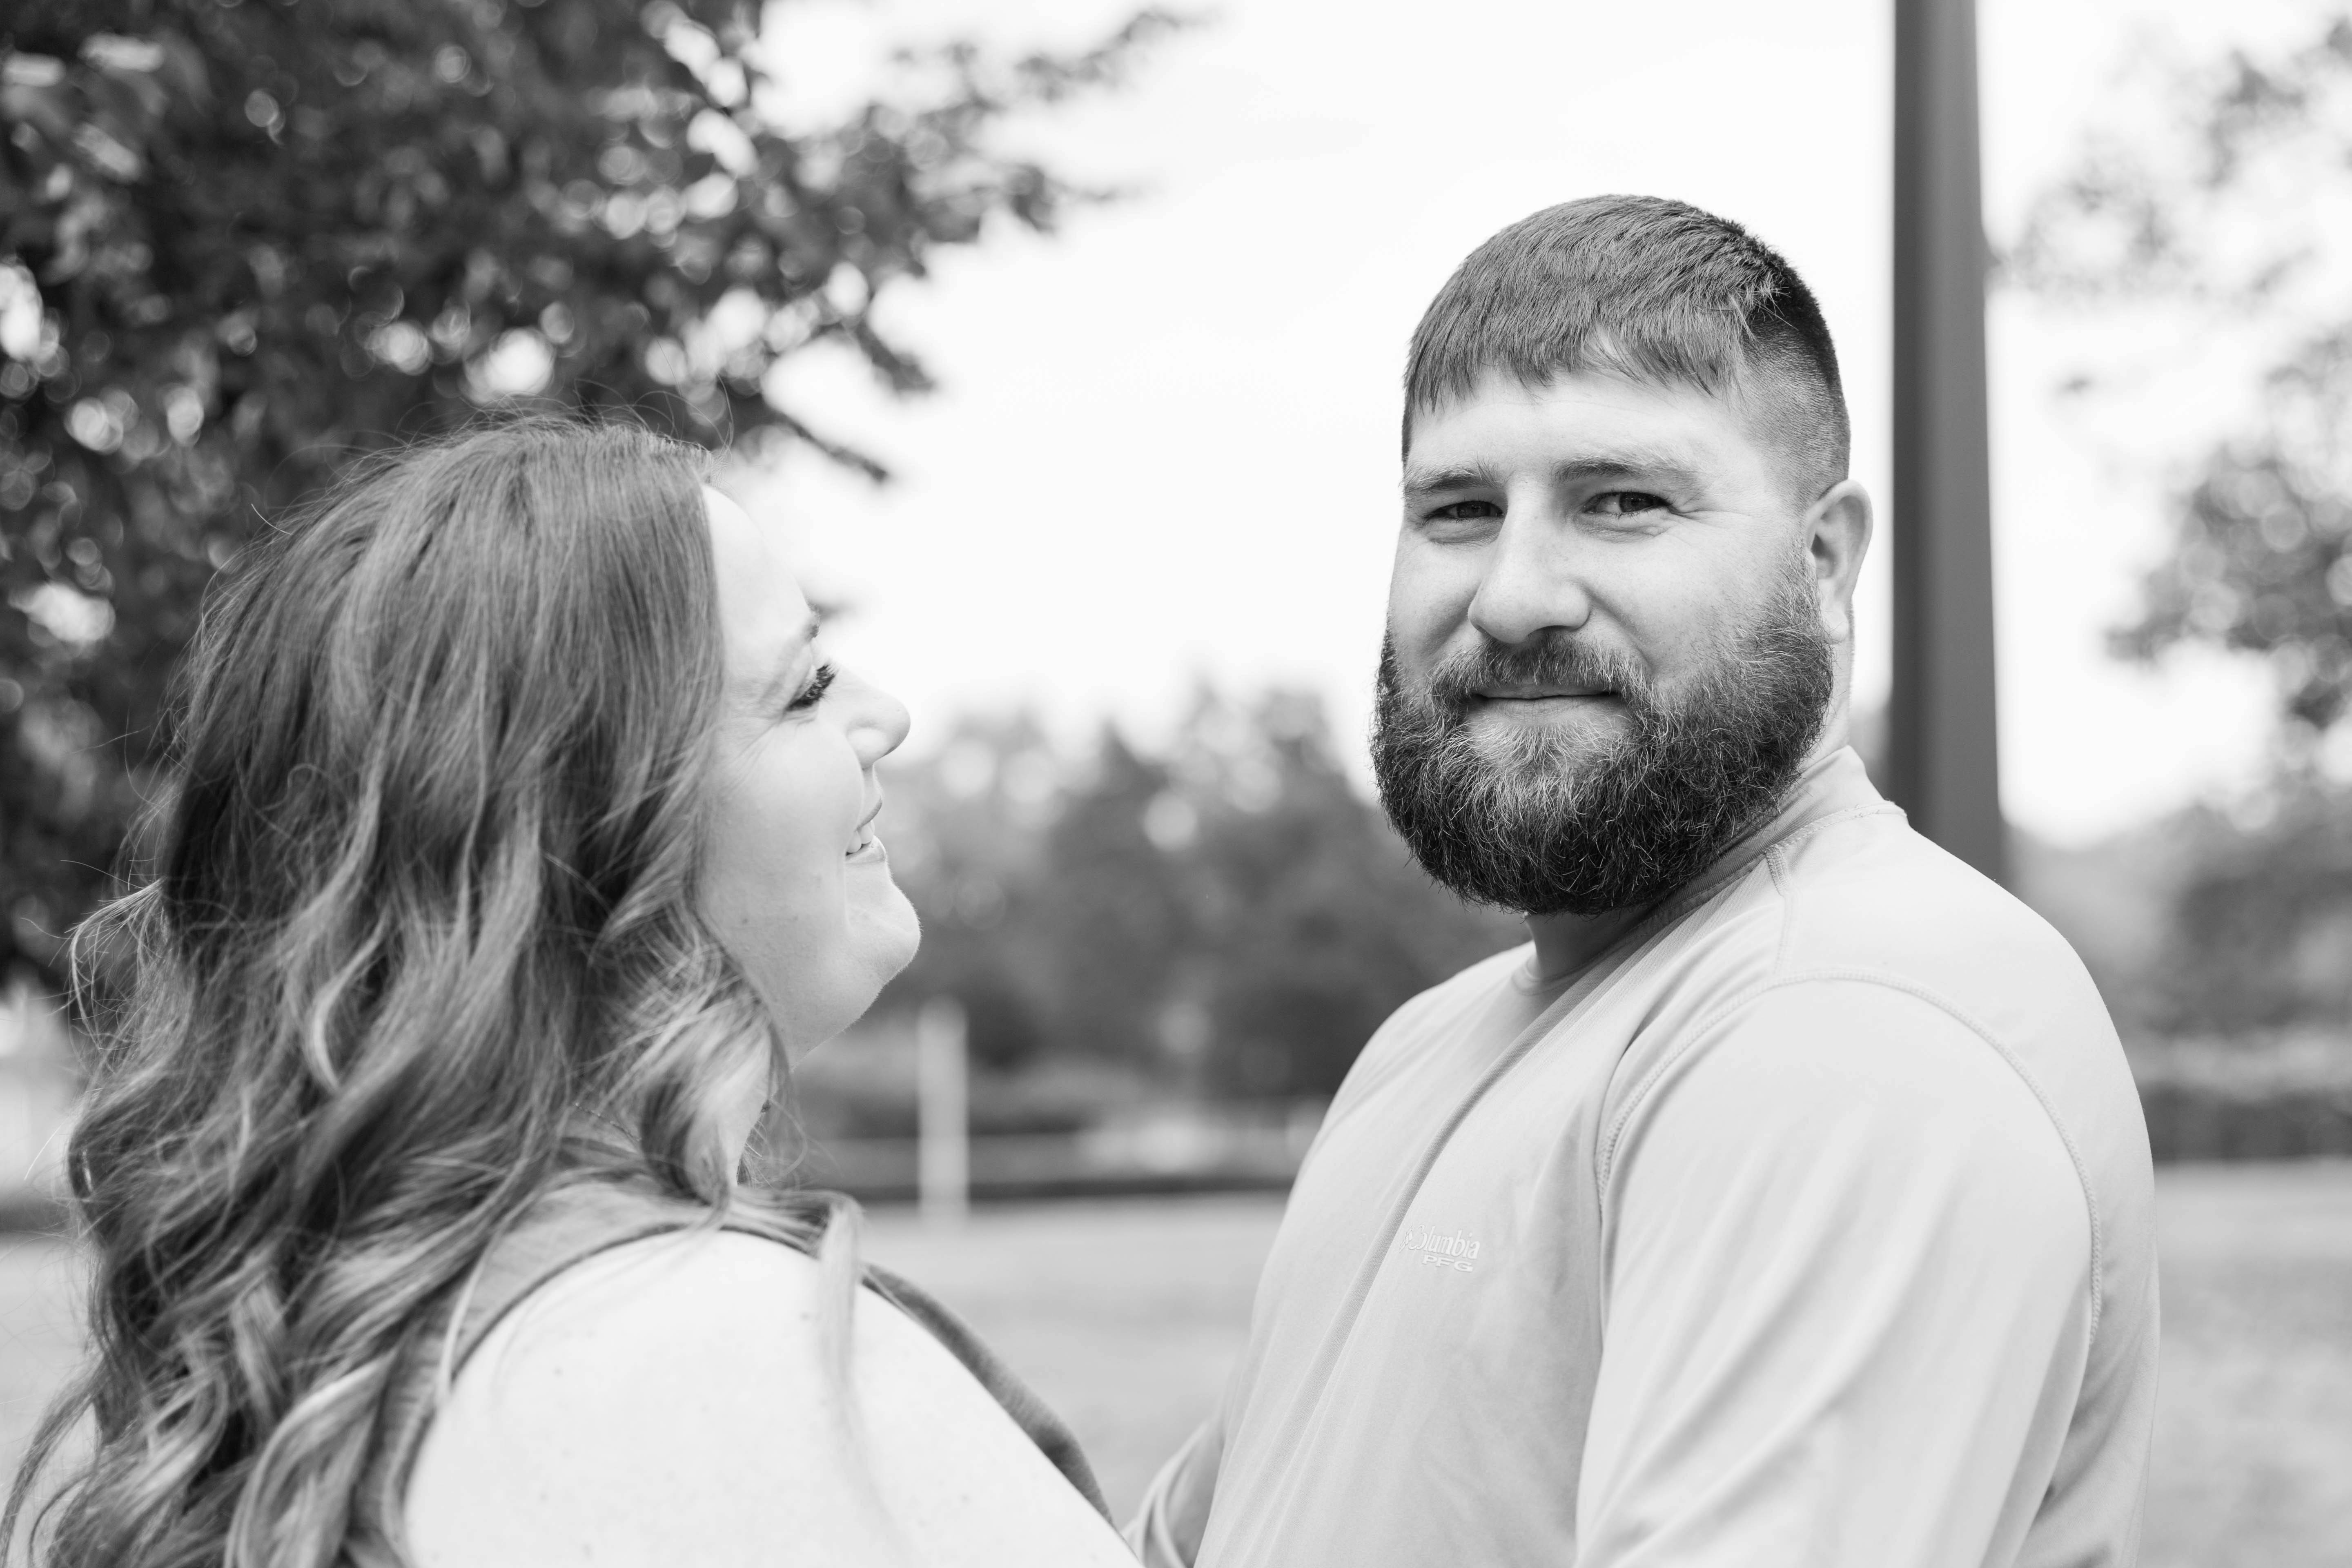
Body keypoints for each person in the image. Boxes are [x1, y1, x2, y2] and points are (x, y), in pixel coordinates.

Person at [1131, 196, 2159, 1568]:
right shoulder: (1428, 1047)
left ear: (1823, 562)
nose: (1514, 596)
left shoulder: (1846, 1024)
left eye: (1622, 504)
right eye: (1459, 511)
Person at [6, 421, 1134, 1568]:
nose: (887, 715)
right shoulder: (710, 1357)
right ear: (591, 847)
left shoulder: (376, 1361)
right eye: (803, 691)